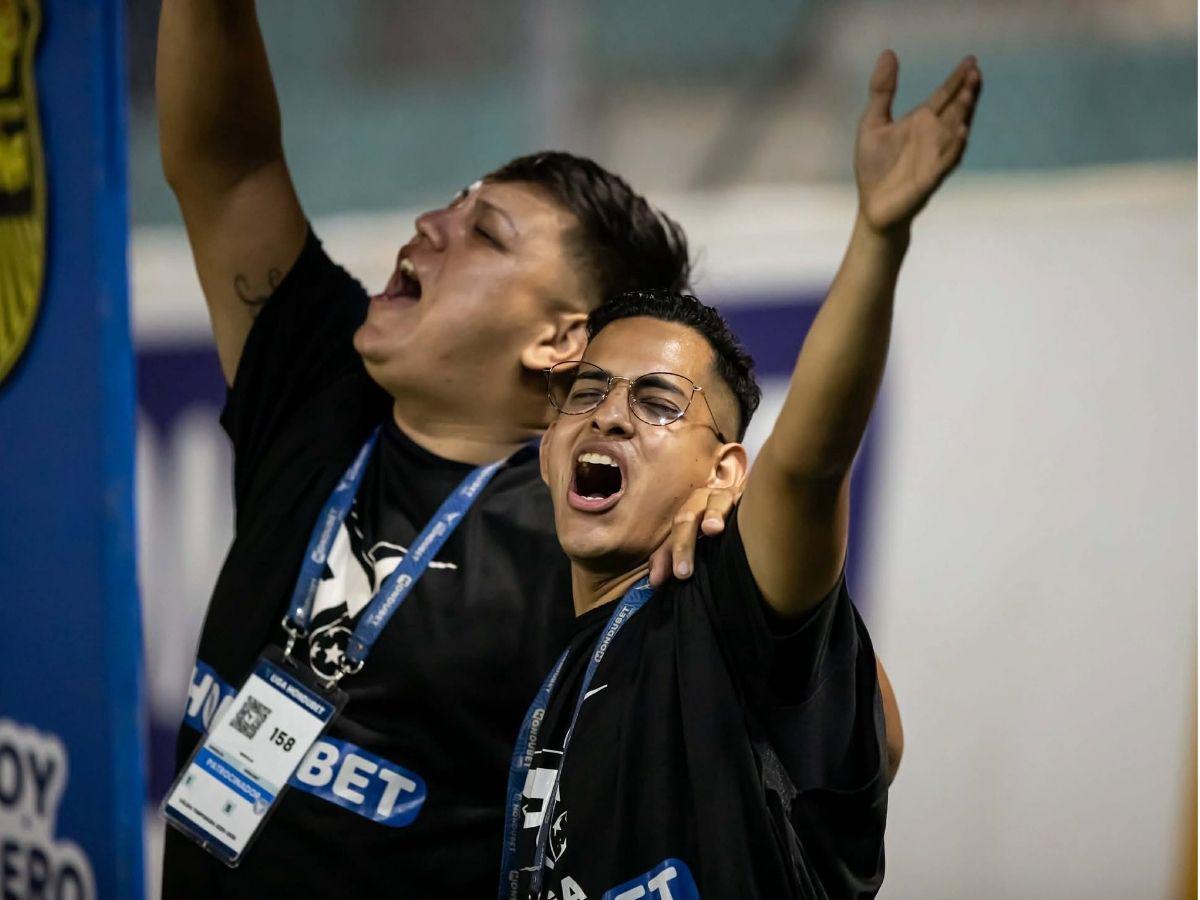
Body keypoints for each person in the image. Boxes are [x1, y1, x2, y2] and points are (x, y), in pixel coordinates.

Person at [156, 3, 739, 896]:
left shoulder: (586, 543)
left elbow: (838, 725)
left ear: (559, 340)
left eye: (486, 233)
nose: (433, 223)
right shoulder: (319, 389)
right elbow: (228, 170)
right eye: (455, 202)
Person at [506, 50, 981, 899]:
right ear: (548, 444)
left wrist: (877, 238)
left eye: (657, 401)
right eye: (588, 392)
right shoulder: (556, 669)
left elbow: (807, 469)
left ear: (725, 471)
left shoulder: (722, 608)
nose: (609, 414)